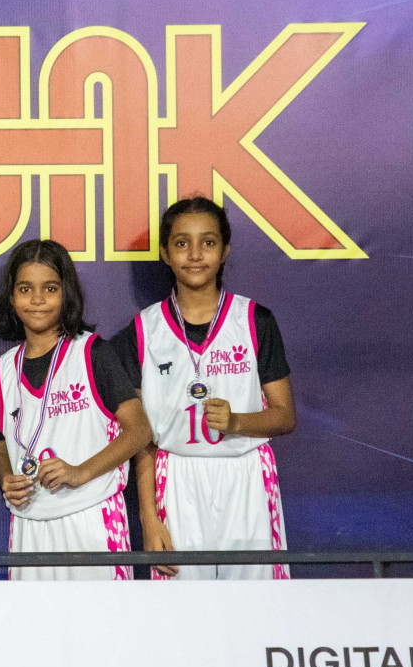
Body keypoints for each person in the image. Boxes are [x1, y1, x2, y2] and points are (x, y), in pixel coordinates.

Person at [109, 196, 295, 578]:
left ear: (225, 250)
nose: (195, 254)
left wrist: (238, 422)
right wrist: (149, 517)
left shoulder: (254, 320)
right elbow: (141, 436)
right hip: (175, 478)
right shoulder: (143, 331)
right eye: (181, 243)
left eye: (208, 242)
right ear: (164, 252)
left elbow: (285, 416)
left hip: (245, 478)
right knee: (181, 615)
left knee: (256, 611)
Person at [0, 239, 151, 579]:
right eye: (25, 289)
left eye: (50, 288)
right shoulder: (1, 372)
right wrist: (5, 479)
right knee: (37, 631)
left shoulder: (92, 353)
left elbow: (140, 430)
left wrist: (80, 471)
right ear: (11, 297)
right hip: (29, 522)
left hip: (90, 516)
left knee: (101, 628)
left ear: (66, 294)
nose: (37, 299)